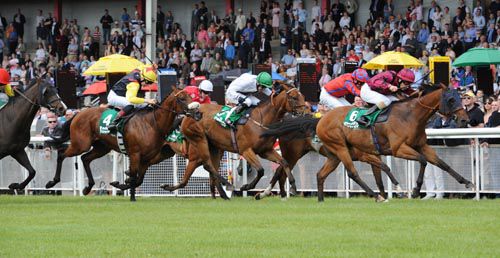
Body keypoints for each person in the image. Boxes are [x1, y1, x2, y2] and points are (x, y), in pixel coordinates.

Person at [107, 65, 158, 131]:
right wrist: (148, 100)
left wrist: (152, 67)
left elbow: (142, 66)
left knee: (144, 105)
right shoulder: (134, 84)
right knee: (130, 104)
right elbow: (131, 99)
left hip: (121, 94)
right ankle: (114, 122)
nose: (149, 85)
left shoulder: (139, 71)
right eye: (149, 82)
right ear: (143, 79)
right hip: (113, 96)